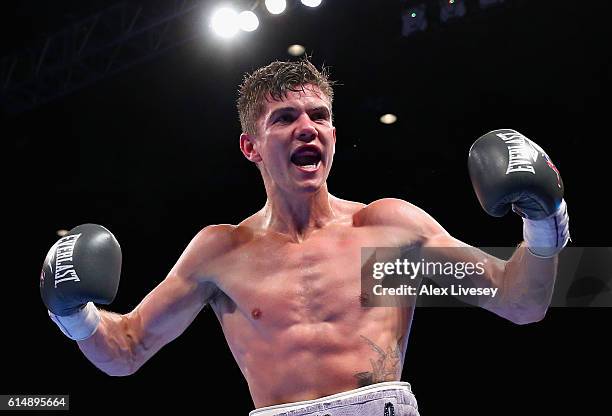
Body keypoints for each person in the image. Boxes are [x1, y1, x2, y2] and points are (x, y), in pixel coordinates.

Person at [40, 59, 570, 416]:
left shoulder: (386, 230)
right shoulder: (222, 252)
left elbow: (518, 302)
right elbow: (126, 350)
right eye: (285, 118)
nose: (307, 127)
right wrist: (73, 313)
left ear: (334, 136)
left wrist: (546, 223)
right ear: (251, 146)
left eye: (319, 116)